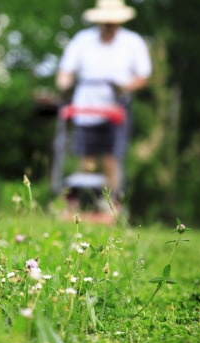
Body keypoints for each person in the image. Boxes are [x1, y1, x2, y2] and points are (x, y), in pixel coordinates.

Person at [56, 0, 152, 203]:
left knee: (111, 158)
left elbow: (143, 76)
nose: (109, 26)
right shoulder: (83, 40)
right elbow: (65, 71)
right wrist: (64, 83)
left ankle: (111, 202)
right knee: (86, 158)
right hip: (85, 107)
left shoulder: (132, 42)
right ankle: (83, 203)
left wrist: (124, 87)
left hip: (116, 108)